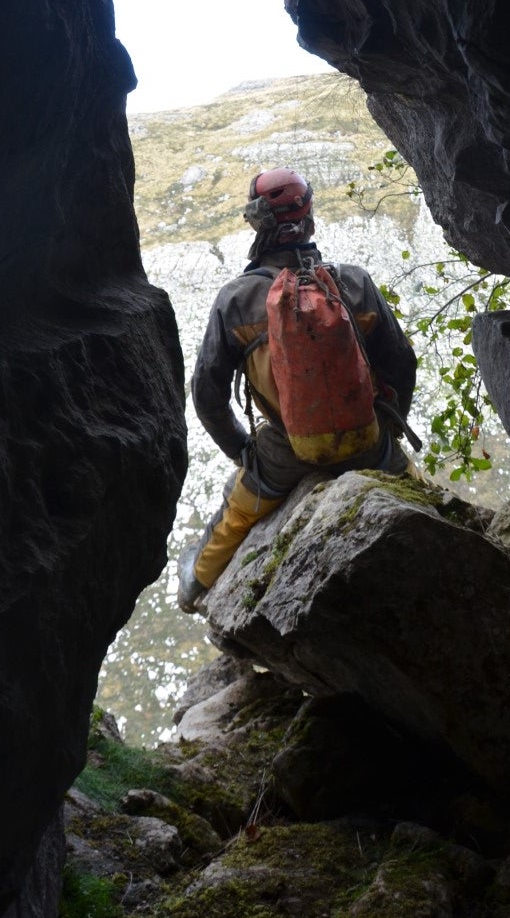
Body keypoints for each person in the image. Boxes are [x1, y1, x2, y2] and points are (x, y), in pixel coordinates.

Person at [177, 167, 418, 612]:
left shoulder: (235, 301)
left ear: (256, 224)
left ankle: (193, 585)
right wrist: (389, 426)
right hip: (367, 440)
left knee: (234, 518)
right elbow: (401, 363)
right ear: (309, 219)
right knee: (420, 489)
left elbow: (207, 397)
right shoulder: (356, 283)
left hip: (285, 451)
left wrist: (244, 452)